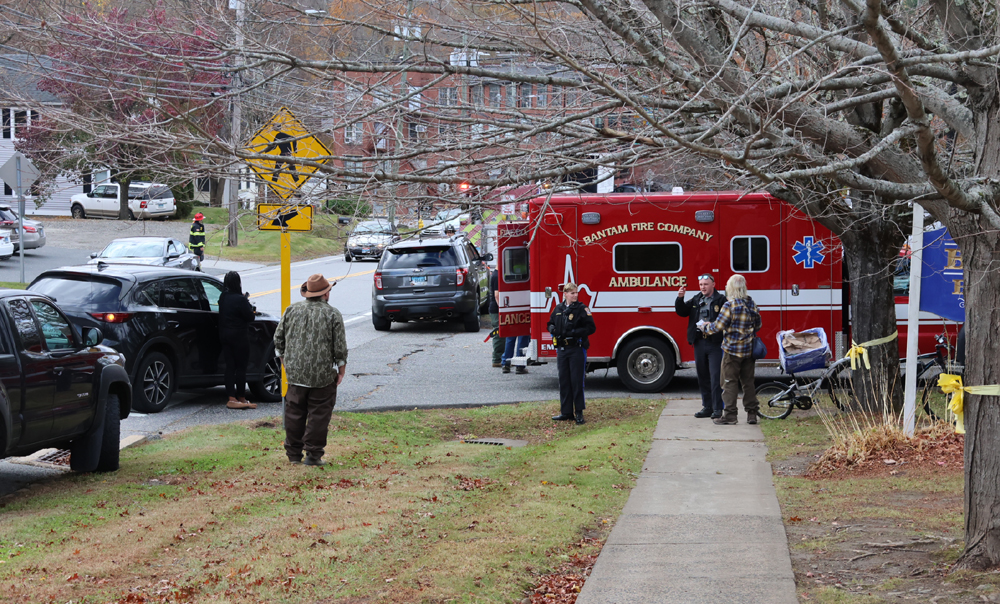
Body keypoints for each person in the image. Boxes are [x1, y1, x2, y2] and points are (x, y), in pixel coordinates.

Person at [273, 274, 348, 466]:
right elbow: (339, 346)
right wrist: (341, 369)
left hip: (295, 373)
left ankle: (293, 454)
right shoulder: (333, 314)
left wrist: (284, 360)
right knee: (319, 413)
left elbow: (278, 339)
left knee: (294, 413)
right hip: (322, 374)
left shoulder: (291, 310)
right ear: (326, 293)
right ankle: (313, 455)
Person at [699, 274, 762, 425]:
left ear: (730, 288)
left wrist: (705, 327)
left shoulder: (729, 305)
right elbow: (758, 325)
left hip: (731, 351)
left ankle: (730, 415)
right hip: (748, 350)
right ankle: (752, 414)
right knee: (748, 383)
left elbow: (718, 327)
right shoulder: (751, 303)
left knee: (728, 382)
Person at [676, 274, 728, 419]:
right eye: (701, 284)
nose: (703, 287)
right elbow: (682, 312)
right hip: (699, 342)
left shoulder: (721, 300)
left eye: (706, 284)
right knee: (703, 376)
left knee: (716, 376)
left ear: (713, 284)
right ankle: (707, 406)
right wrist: (680, 298)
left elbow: (726, 320)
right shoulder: (696, 299)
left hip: (715, 343)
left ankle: (718, 408)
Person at [548, 283, 596, 424]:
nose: (575, 295)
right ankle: (566, 412)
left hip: (576, 348)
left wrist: (574, 332)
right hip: (562, 350)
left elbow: (591, 328)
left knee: (576, 381)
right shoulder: (559, 308)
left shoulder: (582, 309)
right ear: (565, 294)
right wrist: (552, 329)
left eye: (576, 293)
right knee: (564, 381)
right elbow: (550, 323)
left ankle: (579, 413)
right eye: (572, 293)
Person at [219, 271, 257, 410]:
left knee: (230, 366)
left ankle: (231, 397)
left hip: (224, 334)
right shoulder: (240, 300)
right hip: (239, 336)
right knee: (241, 367)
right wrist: (246, 302)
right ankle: (241, 396)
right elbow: (249, 317)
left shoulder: (223, 297)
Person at [489, 268, 504, 368]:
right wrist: (503, 309)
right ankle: (497, 360)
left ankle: (501, 358)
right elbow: (497, 295)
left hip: (496, 309)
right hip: (496, 310)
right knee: (499, 335)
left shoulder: (497, 274)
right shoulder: (497, 276)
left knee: (502, 335)